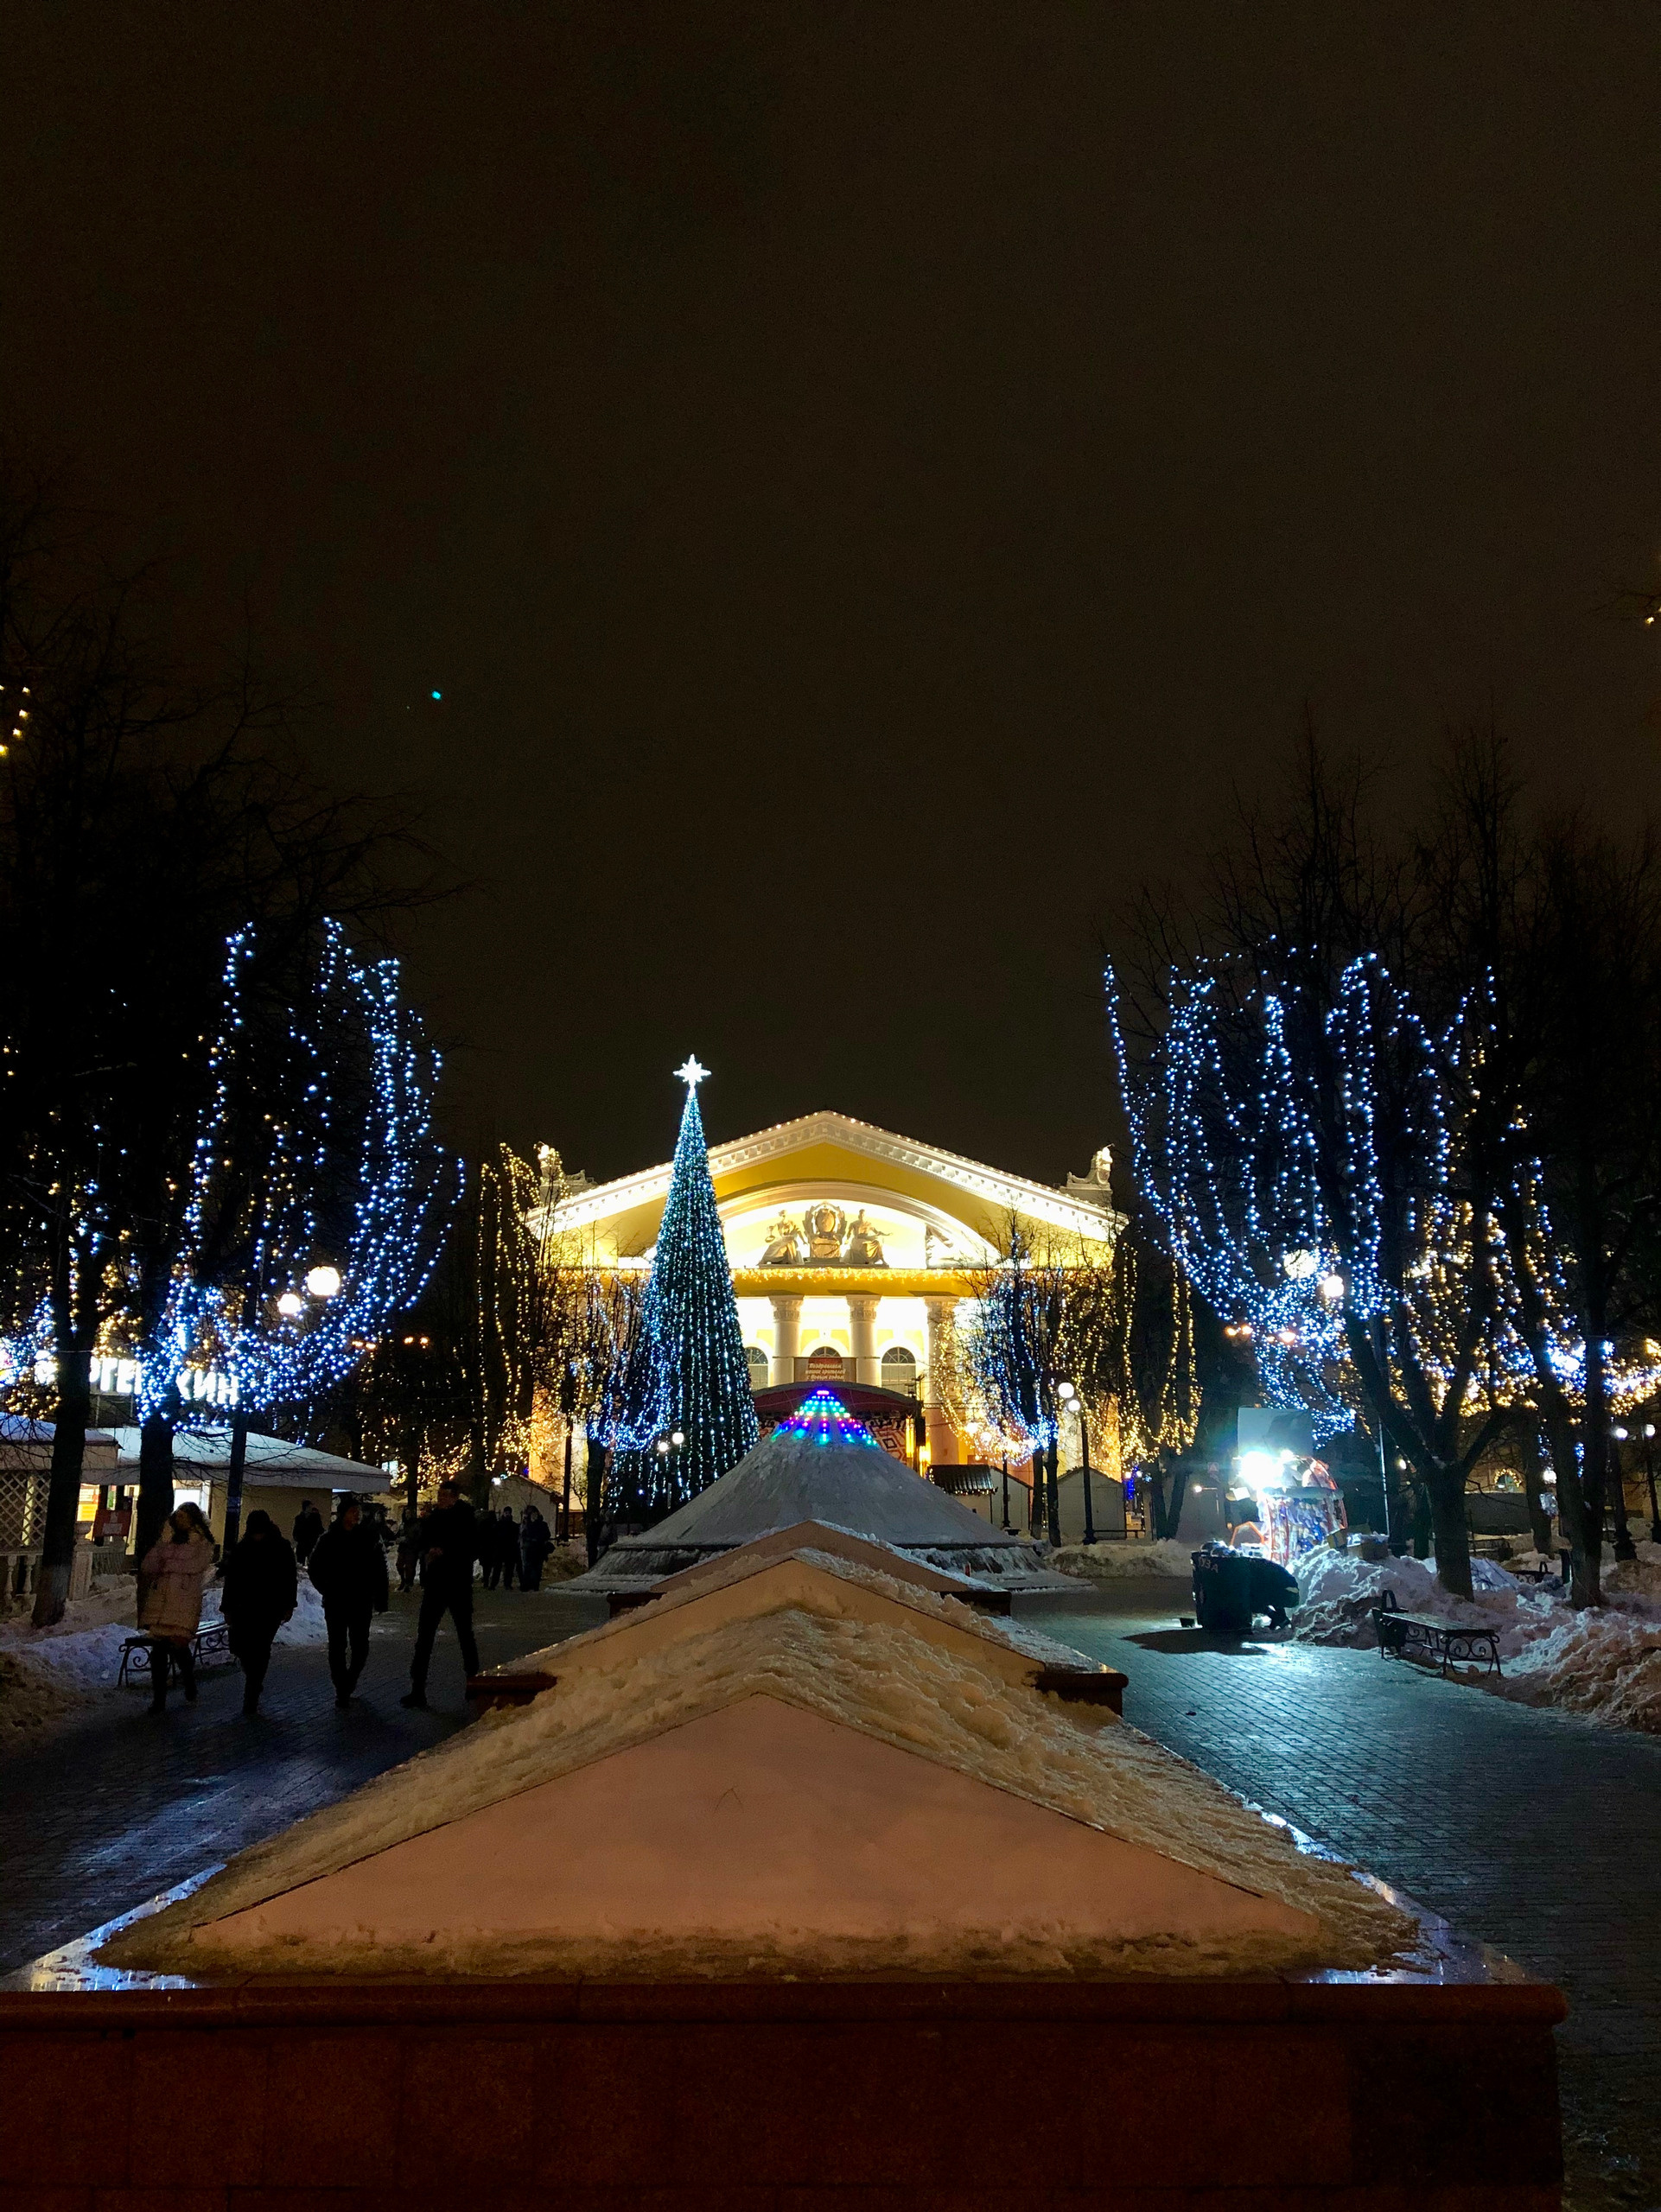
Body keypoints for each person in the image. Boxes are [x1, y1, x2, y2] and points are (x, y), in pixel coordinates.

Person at [402, 1479, 479, 1708]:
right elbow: (422, 1541)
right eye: (439, 1495)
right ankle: (418, 1689)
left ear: (455, 1497)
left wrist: (444, 1552)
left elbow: (471, 1548)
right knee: (424, 1636)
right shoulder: (434, 1518)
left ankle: (473, 1684)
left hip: (457, 1584)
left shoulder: (466, 1518)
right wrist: (428, 1552)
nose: (440, 1500)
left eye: (444, 1496)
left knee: (465, 1634)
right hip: (436, 1583)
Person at [308, 1497, 390, 1707]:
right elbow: (315, 1568)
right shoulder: (329, 1539)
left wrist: (380, 1598)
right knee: (337, 1645)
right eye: (353, 1511)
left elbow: (380, 1569)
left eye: (358, 1512)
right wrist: (327, 1588)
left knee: (360, 1645)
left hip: (361, 1600)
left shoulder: (368, 1538)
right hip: (337, 1600)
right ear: (343, 1514)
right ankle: (341, 1687)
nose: (357, 1515)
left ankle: (349, 1679)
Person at [137, 1503, 217, 1713]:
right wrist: (163, 1545)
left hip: (184, 1600)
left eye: (184, 1517)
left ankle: (189, 1682)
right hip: (161, 1601)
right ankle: (159, 1699)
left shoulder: (202, 1542)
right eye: (178, 1516)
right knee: (159, 1652)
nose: (180, 1521)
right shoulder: (167, 1540)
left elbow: (196, 1565)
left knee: (179, 1647)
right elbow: (148, 1566)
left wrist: (168, 1565)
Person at [220, 1509, 297, 1716]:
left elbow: (290, 1578)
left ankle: (252, 1690)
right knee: (243, 1648)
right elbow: (232, 1580)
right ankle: (254, 1679)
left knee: (260, 1649)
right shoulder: (242, 1549)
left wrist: (288, 1604)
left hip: (268, 1608)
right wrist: (227, 1606)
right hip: (244, 1608)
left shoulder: (280, 1548)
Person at [519, 1503, 551, 1591]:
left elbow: (547, 1535)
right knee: (528, 1567)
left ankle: (534, 1585)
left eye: (535, 1514)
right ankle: (527, 1585)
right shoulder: (527, 1524)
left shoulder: (542, 1524)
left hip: (538, 1549)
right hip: (529, 1549)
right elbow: (523, 1535)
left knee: (537, 1568)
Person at [395, 1503, 421, 1593]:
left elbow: (417, 1537)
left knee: (410, 1567)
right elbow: (398, 1534)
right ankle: (403, 1580)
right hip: (403, 1548)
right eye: (406, 1514)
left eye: (409, 1513)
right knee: (399, 1565)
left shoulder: (415, 1524)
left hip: (411, 1548)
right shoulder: (403, 1524)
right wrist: (397, 1538)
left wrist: (408, 1540)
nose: (407, 1515)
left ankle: (408, 1583)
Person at [291, 1498, 324, 1567]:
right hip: (302, 1544)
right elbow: (296, 1530)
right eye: (309, 1507)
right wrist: (297, 1538)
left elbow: (320, 1529)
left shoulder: (316, 1517)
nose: (311, 1509)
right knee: (300, 1563)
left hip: (312, 1543)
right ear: (306, 1508)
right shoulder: (299, 1518)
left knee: (313, 1563)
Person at [478, 1506, 504, 1591]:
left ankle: (486, 1581)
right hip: (493, 1548)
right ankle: (491, 1583)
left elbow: (480, 1536)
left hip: (487, 1548)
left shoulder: (484, 1524)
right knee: (493, 1567)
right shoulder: (497, 1524)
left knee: (487, 1567)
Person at [497, 1506, 521, 1591]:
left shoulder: (510, 1525)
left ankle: (507, 1583)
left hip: (509, 1549)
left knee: (509, 1568)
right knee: (501, 1567)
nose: (507, 1514)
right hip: (503, 1548)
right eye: (506, 1513)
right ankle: (497, 1583)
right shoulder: (501, 1524)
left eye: (509, 1513)